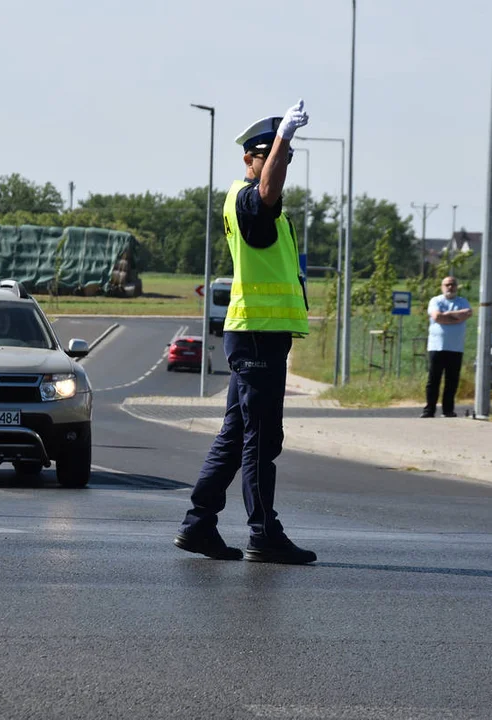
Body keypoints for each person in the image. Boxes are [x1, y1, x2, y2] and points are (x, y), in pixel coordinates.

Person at [174, 99, 317, 565]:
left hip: (259, 334)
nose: (282, 164)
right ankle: (263, 532)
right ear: (250, 158)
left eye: (287, 157)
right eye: (273, 154)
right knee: (261, 438)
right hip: (256, 334)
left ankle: (198, 525)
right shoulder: (249, 201)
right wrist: (283, 138)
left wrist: (280, 146)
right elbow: (269, 189)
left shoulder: (258, 207)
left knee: (236, 436)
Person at [421, 276, 472, 418]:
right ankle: (429, 410)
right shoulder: (435, 301)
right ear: (442, 286)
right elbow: (437, 317)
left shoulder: (462, 301)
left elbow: (467, 314)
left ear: (457, 286)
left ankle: (448, 410)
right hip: (436, 347)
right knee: (434, 380)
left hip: (455, 348)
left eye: (453, 284)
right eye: (447, 285)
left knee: (452, 381)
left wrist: (447, 315)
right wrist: (454, 317)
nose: (450, 287)